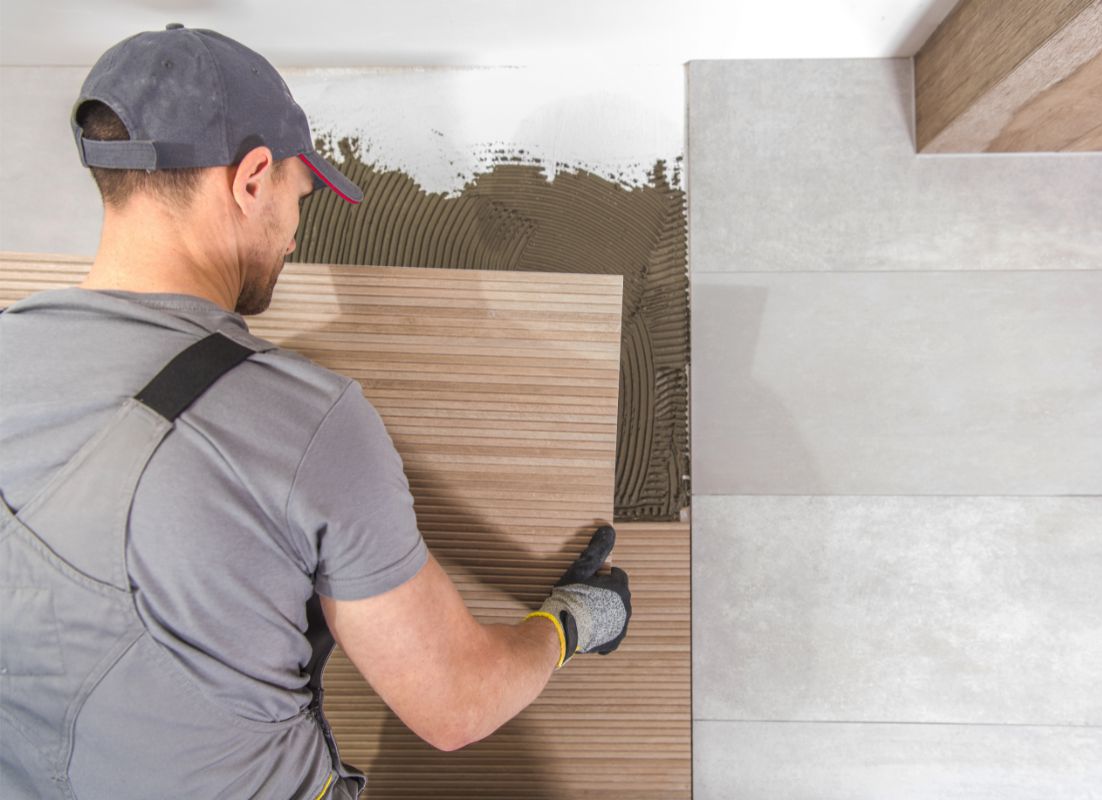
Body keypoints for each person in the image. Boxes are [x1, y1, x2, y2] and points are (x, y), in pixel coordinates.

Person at [0, 24, 631, 799]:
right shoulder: (303, 421)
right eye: (301, 198)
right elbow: (454, 705)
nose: (296, 235)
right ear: (252, 178)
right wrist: (569, 624)